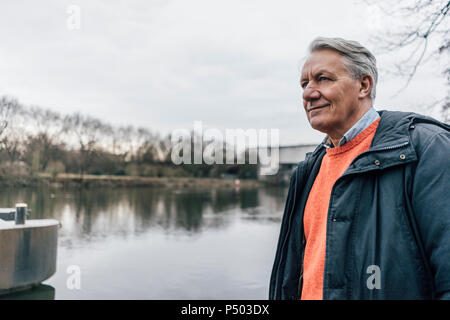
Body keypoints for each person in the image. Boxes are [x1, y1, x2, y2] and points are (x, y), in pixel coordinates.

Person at [269, 37, 450, 300]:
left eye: (324, 79)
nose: (308, 93)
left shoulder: (426, 149)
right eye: (304, 83)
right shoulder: (308, 170)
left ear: (364, 85)